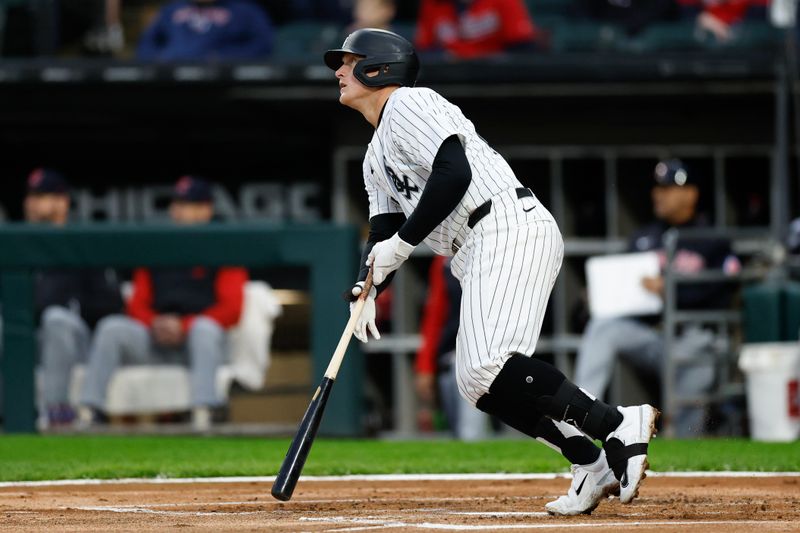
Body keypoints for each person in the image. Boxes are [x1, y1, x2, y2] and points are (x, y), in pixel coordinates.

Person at [324, 28, 658, 516]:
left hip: (503, 225)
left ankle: (616, 423)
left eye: (349, 62)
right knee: (479, 383)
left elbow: (453, 174)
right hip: (475, 248)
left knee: (486, 365)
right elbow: (384, 229)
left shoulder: (410, 104)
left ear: (379, 67)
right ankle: (591, 462)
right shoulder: (375, 155)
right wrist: (367, 284)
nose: (338, 72)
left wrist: (401, 244)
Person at [573, 159, 741, 437]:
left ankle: (683, 448)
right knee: (604, 329)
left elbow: (722, 291)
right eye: (658, 188)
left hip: (696, 339)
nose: (659, 194)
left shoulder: (713, 240)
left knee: (687, 429)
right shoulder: (645, 237)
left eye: (669, 188)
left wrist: (670, 289)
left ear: (691, 193)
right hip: (656, 337)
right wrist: (599, 296)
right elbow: (626, 288)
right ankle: (578, 417)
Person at [78, 176, 248, 431]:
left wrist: (185, 325)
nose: (178, 210)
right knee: (112, 328)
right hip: (156, 338)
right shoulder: (158, 245)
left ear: (206, 209)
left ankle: (203, 414)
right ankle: (90, 412)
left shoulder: (224, 247)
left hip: (200, 344)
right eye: (177, 203)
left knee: (205, 328)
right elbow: (136, 304)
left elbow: (231, 309)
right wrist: (155, 323)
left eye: (187, 204)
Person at [20, 168, 125, 428]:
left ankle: (56, 412)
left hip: (75, 342)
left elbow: (111, 305)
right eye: (32, 196)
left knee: (57, 319)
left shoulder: (81, 244)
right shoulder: (17, 244)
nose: (34, 204)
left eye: (42, 196)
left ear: (62, 202)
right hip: (24, 339)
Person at [415, 256, 490, 440]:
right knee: (458, 434)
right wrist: (425, 366)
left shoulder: (497, 249)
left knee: (471, 434)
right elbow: (435, 314)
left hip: (486, 356)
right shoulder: (444, 259)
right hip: (452, 357)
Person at [137, 0, 274, 61]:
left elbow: (263, 44)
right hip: (170, 79)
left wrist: (224, 57)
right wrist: (158, 58)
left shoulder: (243, 10)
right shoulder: (172, 9)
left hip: (218, 82)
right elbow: (147, 43)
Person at [415, 0, 543, 59]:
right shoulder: (432, 4)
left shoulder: (505, 2)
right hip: (451, 80)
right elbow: (424, 50)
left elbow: (524, 49)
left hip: (495, 78)